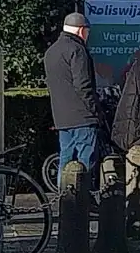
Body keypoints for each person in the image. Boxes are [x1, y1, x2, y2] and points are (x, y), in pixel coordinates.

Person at [43, 13, 101, 188]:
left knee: (65, 159)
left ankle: (65, 201)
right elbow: (83, 85)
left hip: (61, 117)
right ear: (82, 30)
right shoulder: (77, 50)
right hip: (83, 116)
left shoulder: (51, 51)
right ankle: (82, 200)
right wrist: (95, 110)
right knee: (85, 161)